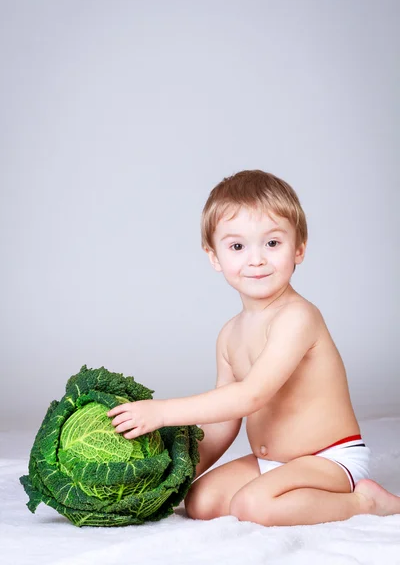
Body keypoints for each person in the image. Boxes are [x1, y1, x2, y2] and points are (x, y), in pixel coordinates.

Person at [108, 169, 400, 526]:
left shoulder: (298, 317)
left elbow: (250, 396)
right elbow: (223, 423)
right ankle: (283, 492)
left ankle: (364, 502)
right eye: (237, 246)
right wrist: (173, 476)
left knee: (252, 505)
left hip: (329, 458)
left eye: (272, 243)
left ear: (299, 248)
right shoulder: (229, 334)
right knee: (199, 501)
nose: (256, 259)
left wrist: (162, 412)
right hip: (272, 461)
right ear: (214, 257)